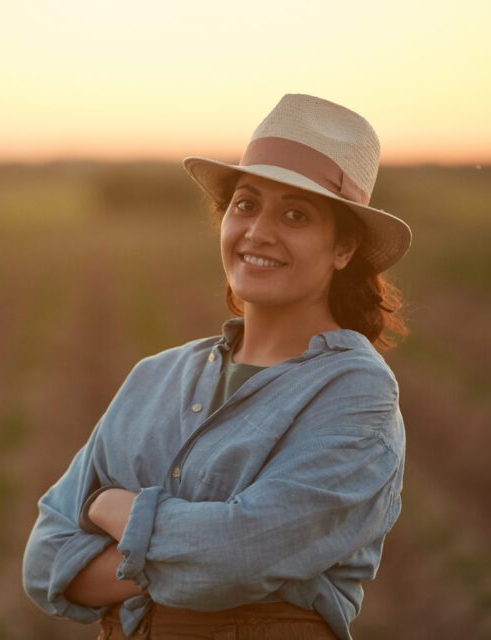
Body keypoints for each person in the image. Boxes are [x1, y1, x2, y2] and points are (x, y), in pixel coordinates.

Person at [22, 93, 412, 640]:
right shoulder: (155, 376)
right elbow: (44, 563)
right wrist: (189, 555)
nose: (258, 232)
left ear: (343, 246)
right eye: (245, 205)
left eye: (296, 214)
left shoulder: (355, 392)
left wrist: (113, 507)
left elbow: (238, 559)